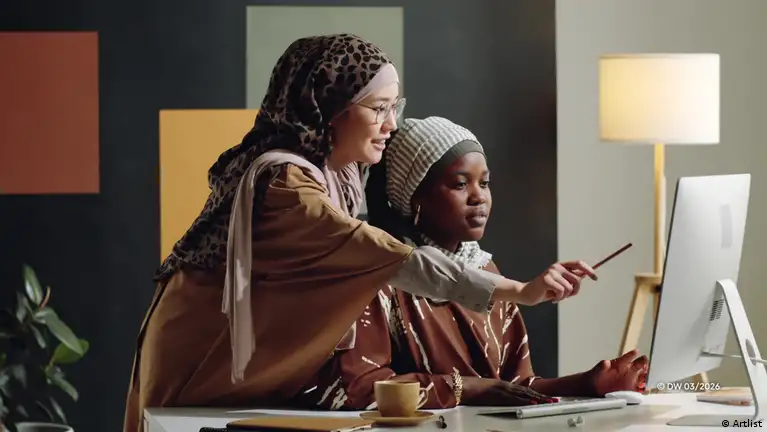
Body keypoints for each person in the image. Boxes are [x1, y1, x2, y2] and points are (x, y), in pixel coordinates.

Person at [122, 35, 597, 432]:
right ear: (329, 109)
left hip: (248, 371)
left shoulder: (339, 175)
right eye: (378, 109)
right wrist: (519, 291)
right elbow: (387, 257)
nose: (391, 124)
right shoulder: (286, 186)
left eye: (395, 107)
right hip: (203, 360)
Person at [291, 116, 648, 410]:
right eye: (460, 184)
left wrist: (591, 382)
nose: (479, 197)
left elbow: (512, 387)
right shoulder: (378, 274)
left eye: (485, 183)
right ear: (412, 196)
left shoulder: (485, 270)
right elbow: (357, 388)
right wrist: (465, 388)